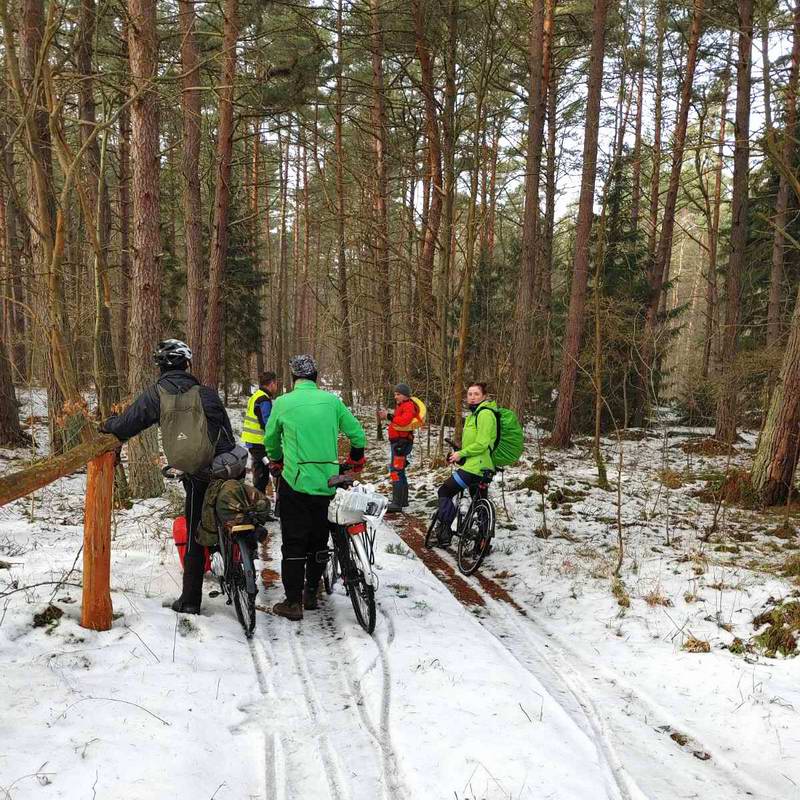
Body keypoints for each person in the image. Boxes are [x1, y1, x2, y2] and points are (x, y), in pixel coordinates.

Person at [99, 339, 235, 614]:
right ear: (187, 364)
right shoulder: (205, 392)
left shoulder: (156, 394)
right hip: (221, 464)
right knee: (229, 510)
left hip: (194, 470)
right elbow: (226, 431)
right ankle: (238, 563)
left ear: (161, 367)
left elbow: (128, 423)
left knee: (197, 529)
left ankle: (190, 600)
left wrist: (107, 426)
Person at [264, 354, 366, 621]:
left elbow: (271, 440)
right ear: (316, 376)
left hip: (295, 482)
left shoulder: (283, 403)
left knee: (294, 543)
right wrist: (355, 457)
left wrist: (276, 459)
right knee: (319, 539)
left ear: (294, 377)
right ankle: (312, 592)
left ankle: (293, 601)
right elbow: (357, 434)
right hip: (328, 484)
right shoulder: (332, 401)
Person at [434, 382, 497, 547]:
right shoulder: (475, 415)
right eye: (469, 394)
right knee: (479, 503)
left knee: (445, 491)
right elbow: (477, 446)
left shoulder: (484, 414)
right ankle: (482, 542)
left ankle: (444, 532)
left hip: (474, 469)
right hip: (482, 467)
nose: (472, 397)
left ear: (484, 396)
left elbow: (482, 444)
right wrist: (459, 456)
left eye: (476, 394)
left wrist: (461, 453)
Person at [378, 383, 417, 513]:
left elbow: (404, 421)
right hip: (398, 443)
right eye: (395, 394)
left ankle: (397, 503)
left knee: (396, 471)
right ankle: (402, 501)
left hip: (401, 444)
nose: (396, 397)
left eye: (398, 394)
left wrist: (388, 416)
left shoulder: (409, 406)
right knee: (399, 471)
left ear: (405, 395)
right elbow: (398, 421)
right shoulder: (402, 405)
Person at [242, 372, 278, 494]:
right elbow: (267, 423)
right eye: (276, 384)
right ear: (272, 383)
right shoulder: (263, 399)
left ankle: (259, 503)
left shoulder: (256, 395)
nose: (276, 387)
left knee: (260, 473)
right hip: (259, 444)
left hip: (253, 443)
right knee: (262, 476)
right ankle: (258, 505)